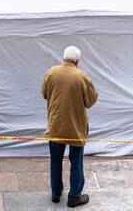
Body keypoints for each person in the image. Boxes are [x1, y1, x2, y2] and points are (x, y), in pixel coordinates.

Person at [40, 45, 97, 208]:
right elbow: (91, 101)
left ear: (64, 58)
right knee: (76, 161)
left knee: (55, 160)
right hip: (75, 127)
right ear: (77, 61)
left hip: (56, 125)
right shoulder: (81, 76)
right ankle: (74, 196)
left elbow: (44, 93)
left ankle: (56, 193)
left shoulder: (51, 72)